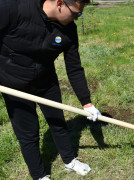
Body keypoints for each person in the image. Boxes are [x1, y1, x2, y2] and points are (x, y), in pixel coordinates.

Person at [0, 0, 101, 179]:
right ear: (60, 3)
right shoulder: (14, 8)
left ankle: (69, 160)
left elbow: (74, 68)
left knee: (58, 122)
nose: (77, 19)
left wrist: (87, 102)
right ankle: (39, 175)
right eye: (76, 14)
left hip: (46, 81)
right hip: (14, 83)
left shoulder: (68, 30)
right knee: (28, 134)